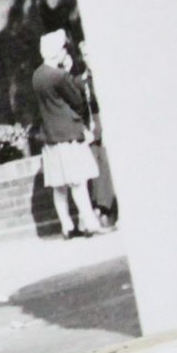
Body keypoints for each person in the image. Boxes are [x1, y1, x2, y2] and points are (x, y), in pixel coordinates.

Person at [31, 29, 104, 238]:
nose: (65, 51)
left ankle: (67, 227)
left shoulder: (37, 76)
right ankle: (89, 223)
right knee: (78, 182)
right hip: (68, 134)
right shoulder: (59, 76)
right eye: (63, 48)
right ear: (58, 51)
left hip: (50, 136)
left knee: (59, 186)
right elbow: (77, 100)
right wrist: (70, 73)